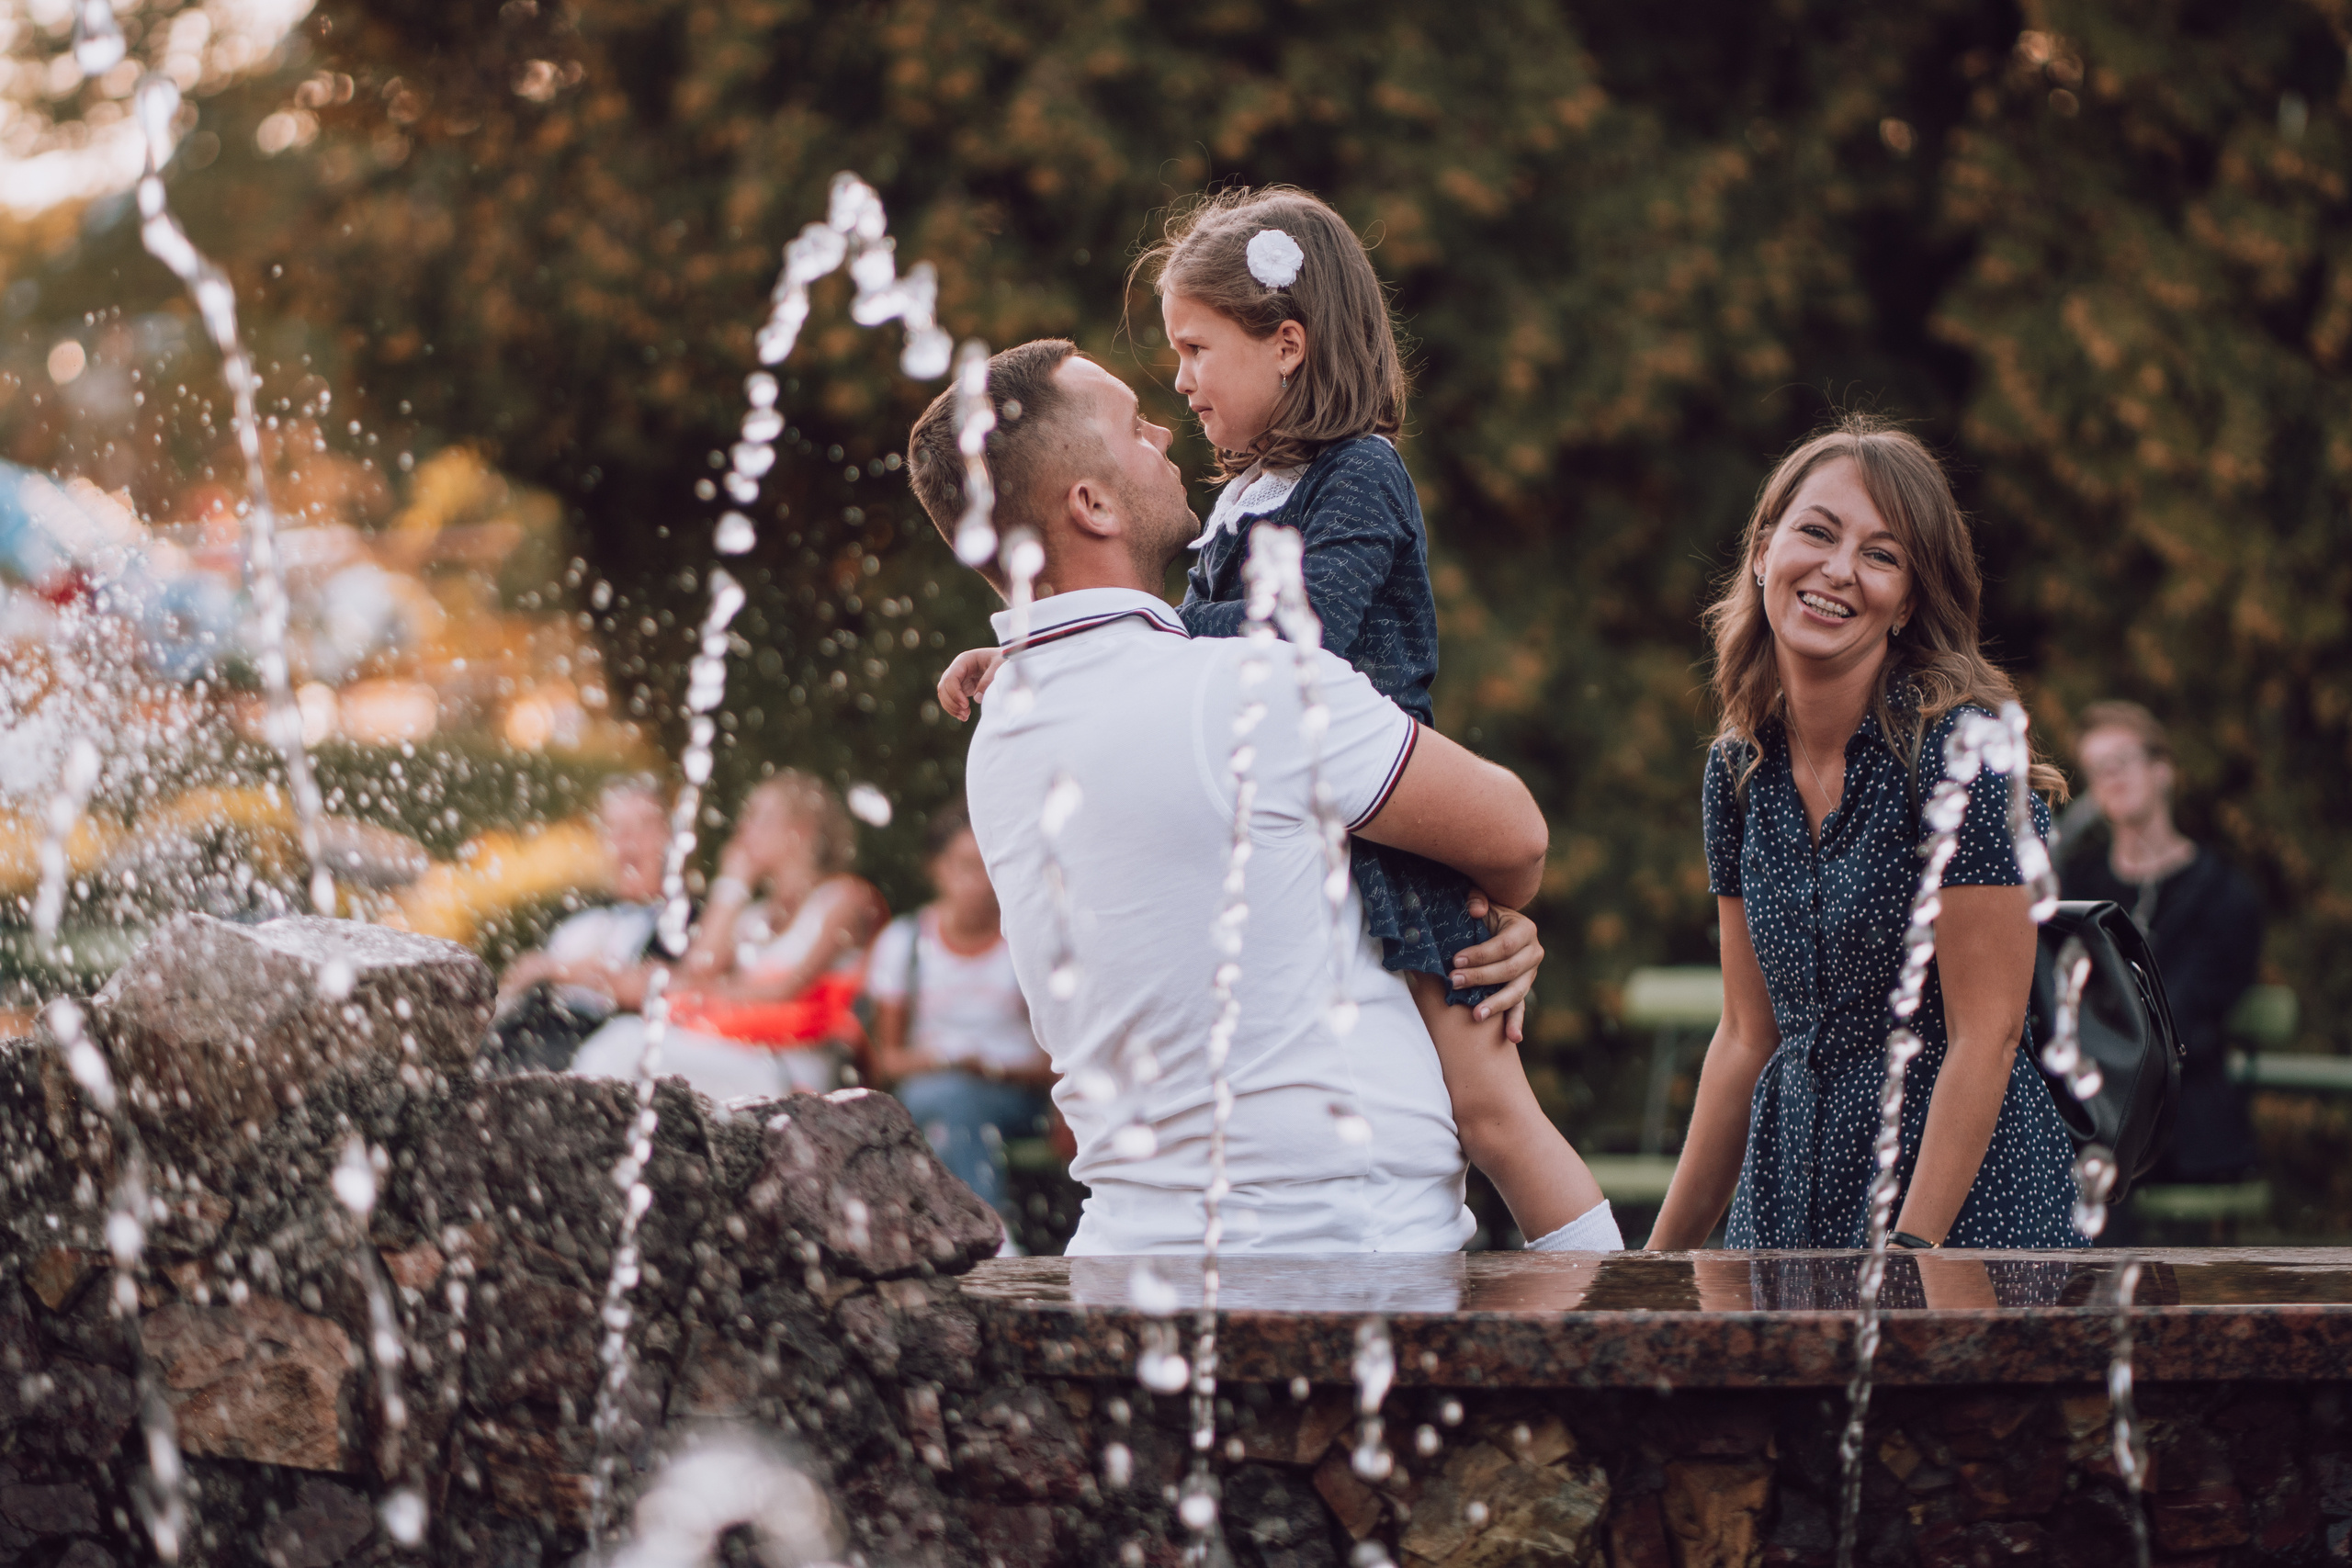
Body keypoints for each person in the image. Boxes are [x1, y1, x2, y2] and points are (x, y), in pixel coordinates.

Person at [935, 189, 1608, 1247]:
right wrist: (1058, 633)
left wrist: (1065, 637)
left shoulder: (1355, 479)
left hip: (1389, 836)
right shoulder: (1240, 557)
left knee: (1496, 1111)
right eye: (1159, 379)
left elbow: (1307, 624)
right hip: (1349, 849)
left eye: (1195, 349)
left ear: (1287, 346)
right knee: (1485, 1103)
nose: (1175, 392)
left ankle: (1604, 1302)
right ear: (1091, 508)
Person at [1646, 416, 2086, 1252]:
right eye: (1816, 532)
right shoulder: (1738, 769)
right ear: (1762, 551)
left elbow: (1984, 1037)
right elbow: (1747, 1037)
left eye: (1881, 555)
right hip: (1787, 1199)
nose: (1839, 570)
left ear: (1908, 601)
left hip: (1960, 1212)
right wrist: (1650, 1272)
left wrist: (1906, 1261)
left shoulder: (1964, 754)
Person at [570, 771, 885, 1100]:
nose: (743, 829)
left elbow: (786, 990)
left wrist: (692, 991)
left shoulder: (843, 900)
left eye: (759, 818)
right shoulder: (754, 916)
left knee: (627, 1043)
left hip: (794, 1069)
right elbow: (702, 965)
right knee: (625, 1044)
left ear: (800, 831)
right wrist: (732, 886)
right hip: (742, 1056)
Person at [2062, 701, 2263, 1183]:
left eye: (2123, 761)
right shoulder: (2076, 885)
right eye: (2097, 768)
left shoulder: (2225, 893)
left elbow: (2183, 1018)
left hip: (2183, 1114)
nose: (2110, 778)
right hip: (2091, 1111)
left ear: (2162, 770)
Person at [866, 802, 1055, 1242]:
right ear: (937, 869)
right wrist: (950, 1062)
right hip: (931, 1089)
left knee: (953, 1105)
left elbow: (1055, 1064)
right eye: (965, 866)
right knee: (949, 1101)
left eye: (987, 868)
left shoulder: (1023, 946)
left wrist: (989, 1069)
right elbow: (886, 1062)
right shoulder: (904, 944)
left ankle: (972, 1237)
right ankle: (986, 1234)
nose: (978, 883)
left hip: (1017, 1097)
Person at [483, 774, 670, 1074]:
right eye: (616, 829)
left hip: (586, 1058)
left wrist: (555, 969)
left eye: (644, 827)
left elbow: (660, 988)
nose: (628, 841)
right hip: (513, 1038)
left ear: (668, 836)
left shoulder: (683, 920)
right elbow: (518, 975)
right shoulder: (574, 908)